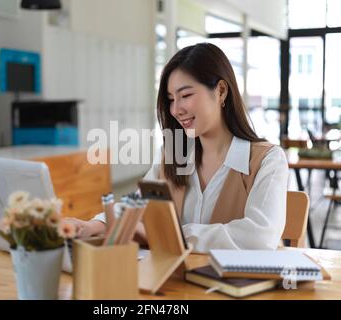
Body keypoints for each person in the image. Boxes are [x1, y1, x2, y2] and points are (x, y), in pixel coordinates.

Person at [69, 43, 289, 253]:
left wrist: (172, 236)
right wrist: (93, 226)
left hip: (233, 290)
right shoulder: (173, 154)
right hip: (176, 288)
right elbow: (137, 206)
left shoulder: (268, 160)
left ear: (221, 91)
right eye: (171, 99)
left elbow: (260, 237)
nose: (175, 109)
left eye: (185, 95)